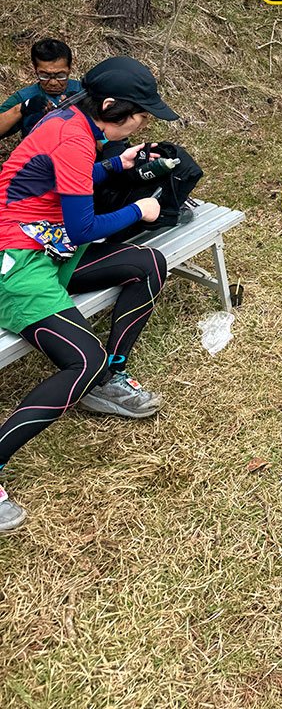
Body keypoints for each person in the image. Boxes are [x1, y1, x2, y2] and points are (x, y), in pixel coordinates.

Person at [0, 56, 179, 533]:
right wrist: (140, 209)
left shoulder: (75, 125)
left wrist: (115, 165)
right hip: (15, 261)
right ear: (110, 107)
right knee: (84, 358)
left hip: (49, 243)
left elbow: (64, 182)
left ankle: (109, 380)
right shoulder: (72, 135)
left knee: (148, 264)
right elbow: (83, 226)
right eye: (141, 115)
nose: (144, 122)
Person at [0, 38, 83, 141]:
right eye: (45, 76)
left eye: (60, 75)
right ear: (35, 69)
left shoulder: (84, 91)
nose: (53, 82)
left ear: (70, 68)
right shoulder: (25, 97)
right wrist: (22, 108)